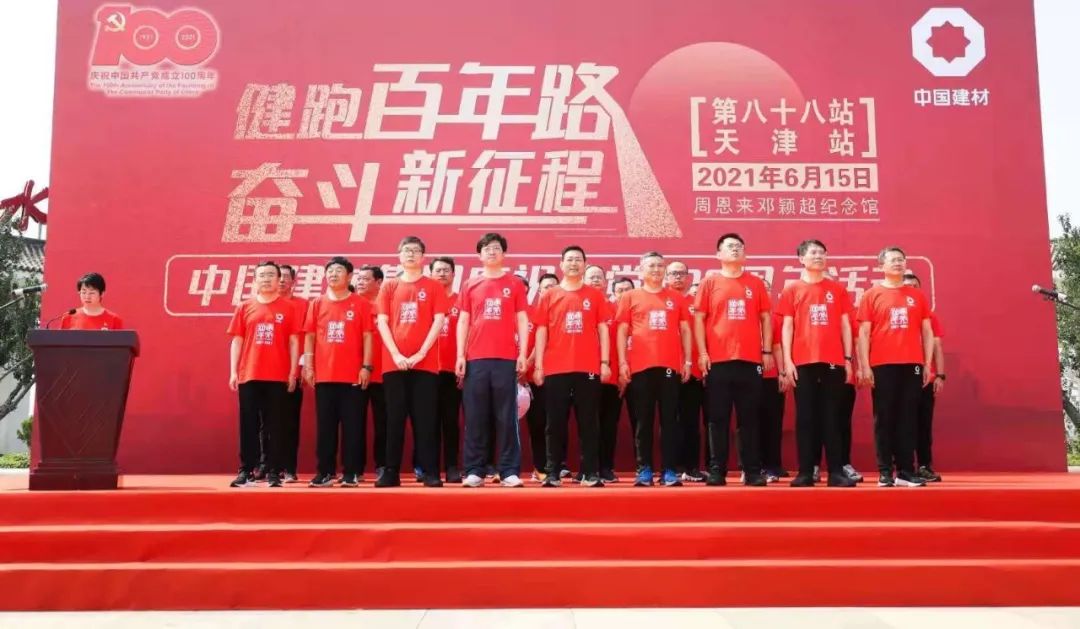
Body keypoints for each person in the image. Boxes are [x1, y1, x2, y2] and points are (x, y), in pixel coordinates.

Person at [777, 240, 857, 488]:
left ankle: (836, 472)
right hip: (802, 362)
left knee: (832, 417)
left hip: (833, 360)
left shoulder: (837, 289)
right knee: (805, 418)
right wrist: (788, 361)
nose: (819, 256)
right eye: (813, 252)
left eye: (822, 252)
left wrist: (847, 359)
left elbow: (845, 325)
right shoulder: (792, 289)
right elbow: (787, 326)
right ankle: (805, 472)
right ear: (801, 259)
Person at [694, 233, 771, 487]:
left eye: (739, 246)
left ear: (745, 253)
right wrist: (703, 353)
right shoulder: (709, 283)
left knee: (749, 419)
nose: (735, 250)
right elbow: (699, 319)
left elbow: (765, 318)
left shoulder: (755, 283)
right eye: (729, 247)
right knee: (717, 419)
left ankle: (752, 471)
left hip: (750, 360)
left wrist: (766, 351)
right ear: (718, 254)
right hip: (718, 361)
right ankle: (717, 470)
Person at [857, 246, 934, 488]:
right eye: (893, 260)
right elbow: (864, 333)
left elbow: (927, 331)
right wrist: (865, 365)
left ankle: (905, 471)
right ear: (881, 266)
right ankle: (884, 472)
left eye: (901, 259)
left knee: (908, 417)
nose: (898, 263)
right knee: (885, 418)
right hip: (883, 364)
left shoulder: (916, 295)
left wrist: (927, 363)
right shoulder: (871, 295)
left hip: (912, 363)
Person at [457, 233, 530, 487]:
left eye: (496, 248)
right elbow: (464, 320)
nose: (491, 252)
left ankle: (509, 470)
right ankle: (474, 470)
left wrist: (522, 353)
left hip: (506, 358)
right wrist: (460, 355)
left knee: (506, 416)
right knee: (475, 416)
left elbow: (522, 319)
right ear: (479, 255)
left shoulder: (515, 283)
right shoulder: (470, 284)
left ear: (504, 254)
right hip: (475, 358)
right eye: (486, 248)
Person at [533, 246, 610, 487]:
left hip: (588, 367)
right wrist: (538, 365)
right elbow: (541, 330)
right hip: (556, 367)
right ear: (561, 264)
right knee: (554, 423)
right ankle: (553, 472)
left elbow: (603, 329)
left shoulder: (595, 295)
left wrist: (604, 362)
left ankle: (589, 472)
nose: (574, 263)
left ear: (585, 264)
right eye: (569, 259)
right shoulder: (550, 295)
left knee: (589, 422)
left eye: (578, 260)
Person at [374, 237, 448, 488]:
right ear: (399, 255)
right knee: (394, 418)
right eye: (406, 250)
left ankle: (430, 472)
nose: (411, 254)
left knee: (425, 419)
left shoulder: (433, 286)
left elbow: (439, 320)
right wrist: (396, 354)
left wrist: (421, 353)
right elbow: (382, 322)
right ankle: (391, 471)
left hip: (425, 365)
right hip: (393, 364)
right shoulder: (389, 286)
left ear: (423, 257)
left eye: (416, 251)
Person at [616, 252, 692, 487]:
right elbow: (622, 331)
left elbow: (685, 330)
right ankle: (644, 469)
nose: (656, 270)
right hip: (640, 367)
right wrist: (622, 362)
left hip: (669, 366)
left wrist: (688, 361)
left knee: (669, 420)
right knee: (643, 421)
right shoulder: (630, 297)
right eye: (651, 266)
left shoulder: (675, 298)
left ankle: (669, 470)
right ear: (641, 270)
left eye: (660, 266)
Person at [226, 261, 300, 488]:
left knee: (276, 425)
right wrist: (233, 371)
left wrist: (293, 372)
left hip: (278, 375)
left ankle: (274, 471)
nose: (266, 279)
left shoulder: (289, 308)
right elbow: (237, 341)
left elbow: (294, 342)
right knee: (248, 424)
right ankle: (246, 470)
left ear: (279, 280)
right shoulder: (245, 307)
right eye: (262, 275)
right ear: (255, 280)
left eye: (270, 275)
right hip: (249, 373)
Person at [303, 257, 373, 487]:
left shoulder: (361, 304)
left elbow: (368, 337)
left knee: (353, 426)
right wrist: (309, 366)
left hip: (353, 376)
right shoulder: (317, 303)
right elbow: (310, 336)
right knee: (326, 427)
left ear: (349, 276)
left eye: (339, 271)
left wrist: (366, 366)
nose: (333, 274)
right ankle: (325, 472)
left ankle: (351, 472)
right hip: (324, 375)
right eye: (330, 271)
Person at [665, 260, 707, 483]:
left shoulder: (696, 303)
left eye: (682, 273)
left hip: (693, 370)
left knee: (691, 421)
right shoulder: (661, 299)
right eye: (673, 273)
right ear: (666, 276)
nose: (678, 277)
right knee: (668, 421)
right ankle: (670, 468)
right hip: (667, 368)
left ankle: (691, 467)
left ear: (689, 277)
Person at [903, 272, 945, 482]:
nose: (912, 289)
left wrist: (940, 375)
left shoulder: (928, 315)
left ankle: (924, 465)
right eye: (907, 286)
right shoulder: (895, 313)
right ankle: (903, 467)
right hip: (900, 374)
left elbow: (937, 346)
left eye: (915, 286)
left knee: (923, 423)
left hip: (924, 375)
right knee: (902, 422)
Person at [588, 268, 629, 483]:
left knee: (608, 424)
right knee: (587, 424)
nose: (596, 281)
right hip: (584, 375)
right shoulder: (579, 305)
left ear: (606, 283)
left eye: (599, 277)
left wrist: (622, 371)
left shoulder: (617, 309)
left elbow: (624, 344)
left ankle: (605, 467)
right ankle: (588, 468)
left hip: (611, 376)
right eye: (591, 277)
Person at [431, 256, 463, 484]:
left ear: (453, 274)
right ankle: (428, 467)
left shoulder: (461, 301)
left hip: (453, 370)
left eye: (446, 270)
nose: (442, 274)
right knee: (428, 422)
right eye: (438, 270)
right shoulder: (424, 301)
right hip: (427, 371)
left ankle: (452, 466)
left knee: (451, 421)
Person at [523, 273, 558, 482]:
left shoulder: (553, 313)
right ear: (539, 290)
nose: (550, 290)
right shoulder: (526, 311)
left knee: (541, 423)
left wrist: (528, 362)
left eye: (553, 286)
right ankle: (497, 468)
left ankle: (542, 466)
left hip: (542, 375)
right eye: (546, 287)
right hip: (513, 374)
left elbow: (542, 341)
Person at [356, 265, 389, 482]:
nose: (360, 282)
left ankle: (383, 465)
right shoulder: (352, 304)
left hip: (384, 373)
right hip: (355, 372)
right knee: (354, 423)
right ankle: (355, 468)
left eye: (365, 279)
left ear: (378, 282)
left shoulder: (387, 304)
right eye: (358, 278)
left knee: (383, 424)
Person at [276, 264, 307, 483]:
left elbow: (310, 337)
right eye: (278, 276)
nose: (281, 280)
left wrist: (303, 366)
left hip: (292, 372)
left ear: (293, 281)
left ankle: (288, 468)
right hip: (267, 372)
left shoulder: (304, 305)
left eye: (286, 277)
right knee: (266, 423)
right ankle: (266, 465)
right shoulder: (261, 304)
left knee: (289, 422)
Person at [758, 281, 787, 483]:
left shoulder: (775, 318)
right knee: (750, 422)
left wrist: (782, 373)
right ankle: (751, 464)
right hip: (749, 376)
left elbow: (777, 347)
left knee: (773, 422)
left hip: (771, 376)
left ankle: (773, 464)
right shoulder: (746, 316)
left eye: (767, 290)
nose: (764, 293)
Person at [59, 272, 123, 330]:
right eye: (84, 292)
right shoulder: (68, 317)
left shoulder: (114, 319)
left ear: (102, 294)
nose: (87, 297)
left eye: (92, 293)